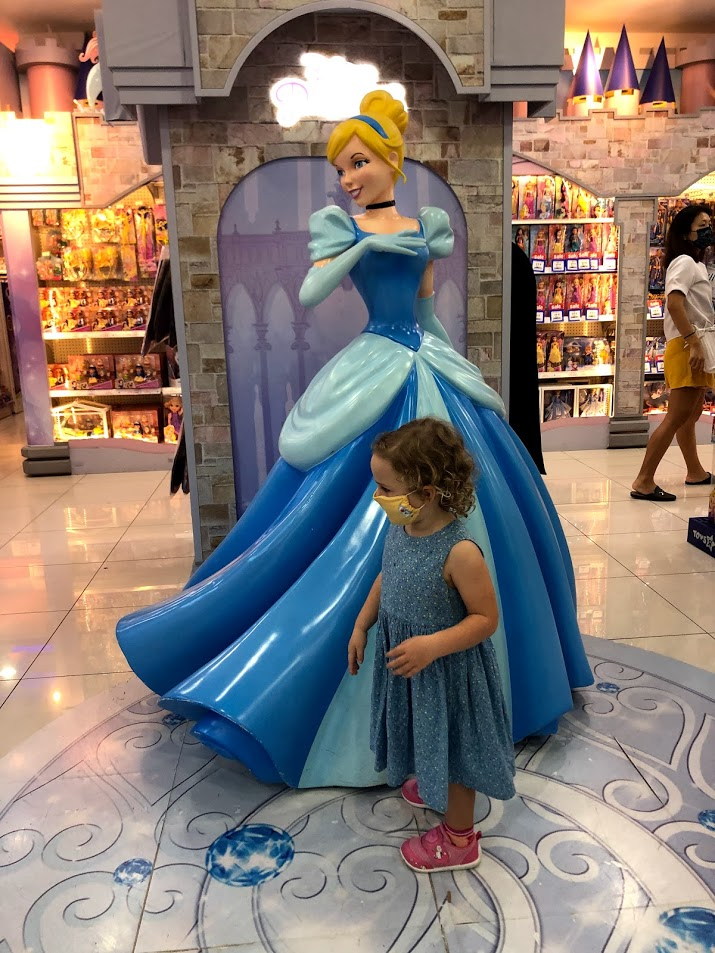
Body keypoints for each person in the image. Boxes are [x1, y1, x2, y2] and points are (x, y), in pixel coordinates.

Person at [116, 90, 592, 790]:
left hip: (422, 357)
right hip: (372, 356)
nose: (348, 177)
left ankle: (501, 683)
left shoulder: (427, 228)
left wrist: (455, 367)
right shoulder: (342, 228)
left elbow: (425, 311)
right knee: (331, 497)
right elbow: (312, 295)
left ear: (391, 161)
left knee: (490, 499)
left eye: (359, 162)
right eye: (341, 167)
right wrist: (363, 243)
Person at [348, 418, 515, 873]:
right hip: (414, 670)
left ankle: (460, 840)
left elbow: (486, 619)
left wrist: (432, 646)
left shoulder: (460, 552)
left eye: (386, 488)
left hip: (449, 675)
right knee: (425, 732)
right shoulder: (400, 529)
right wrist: (362, 624)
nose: (377, 497)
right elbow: (387, 577)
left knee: (457, 751)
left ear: (426, 491)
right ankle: (431, 777)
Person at [632, 205, 715, 501]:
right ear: (684, 232)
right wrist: (693, 342)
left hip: (695, 344)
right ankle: (644, 480)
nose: (708, 230)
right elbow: (674, 304)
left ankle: (695, 471)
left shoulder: (696, 264)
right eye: (702, 226)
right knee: (677, 416)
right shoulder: (684, 262)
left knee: (690, 414)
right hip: (687, 346)